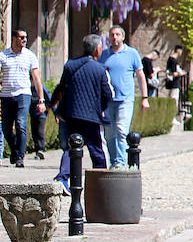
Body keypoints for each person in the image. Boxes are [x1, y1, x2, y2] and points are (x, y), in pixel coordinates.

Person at [52, 34, 112, 193]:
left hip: (71, 115)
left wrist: (53, 106)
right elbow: (107, 94)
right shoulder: (100, 69)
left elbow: (62, 87)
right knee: (97, 149)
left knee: (71, 148)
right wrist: (101, 108)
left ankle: (63, 178)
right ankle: (101, 181)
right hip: (92, 117)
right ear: (98, 50)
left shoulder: (70, 65)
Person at [99, 25, 149, 167]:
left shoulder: (132, 53)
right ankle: (114, 161)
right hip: (108, 100)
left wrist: (145, 98)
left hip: (125, 99)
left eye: (117, 34)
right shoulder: (104, 55)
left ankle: (120, 162)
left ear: (123, 37)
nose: (114, 37)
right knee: (109, 134)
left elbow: (140, 75)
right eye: (112, 35)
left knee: (121, 131)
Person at [0, 28, 44, 167]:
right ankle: (14, 150)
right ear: (14, 38)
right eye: (21, 37)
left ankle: (20, 157)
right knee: (6, 129)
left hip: (23, 94)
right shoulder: (3, 55)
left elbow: (36, 79)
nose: (25, 40)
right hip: (6, 95)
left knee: (20, 124)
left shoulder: (30, 56)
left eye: (26, 37)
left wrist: (41, 100)